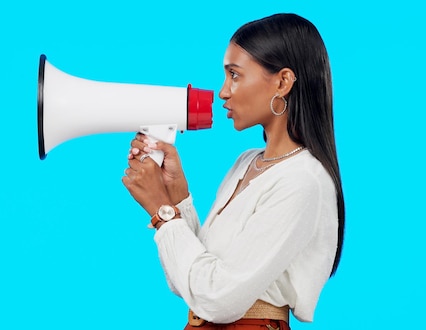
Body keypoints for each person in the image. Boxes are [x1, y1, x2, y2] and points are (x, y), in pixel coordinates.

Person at [122, 13, 345, 330]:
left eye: (235, 75)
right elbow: (190, 285)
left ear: (282, 82)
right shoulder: (247, 163)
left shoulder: (303, 179)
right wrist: (177, 198)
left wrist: (162, 212)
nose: (223, 92)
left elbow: (218, 300)